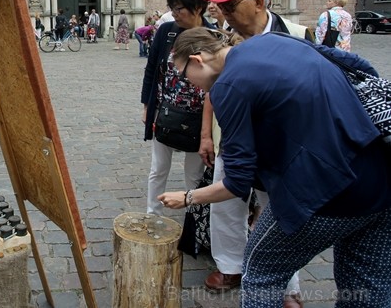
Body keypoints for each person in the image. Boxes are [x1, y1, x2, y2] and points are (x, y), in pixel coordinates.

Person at [159, 27, 391, 308]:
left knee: (261, 274)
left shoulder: (227, 87)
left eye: (184, 75)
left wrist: (187, 198)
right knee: (366, 282)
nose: (191, 85)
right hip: (379, 172)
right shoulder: (271, 39)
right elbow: (358, 65)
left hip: (324, 190)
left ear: (198, 60)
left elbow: (237, 182)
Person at [196, 0, 312, 302]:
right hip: (231, 137)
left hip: (280, 146)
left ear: (258, 2)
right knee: (225, 204)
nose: (225, 14)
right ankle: (230, 265)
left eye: (230, 6)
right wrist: (206, 134)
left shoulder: (298, 35)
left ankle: (289, 288)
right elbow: (212, 87)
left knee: (280, 214)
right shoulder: (225, 37)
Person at [141, 0, 212, 217]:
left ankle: (193, 222)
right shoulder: (166, 31)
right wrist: (146, 107)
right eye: (172, 7)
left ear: (198, 8)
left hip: (198, 118)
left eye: (179, 8)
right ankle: (153, 214)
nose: (174, 13)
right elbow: (152, 70)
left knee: (194, 174)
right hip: (165, 112)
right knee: (158, 169)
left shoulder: (213, 36)